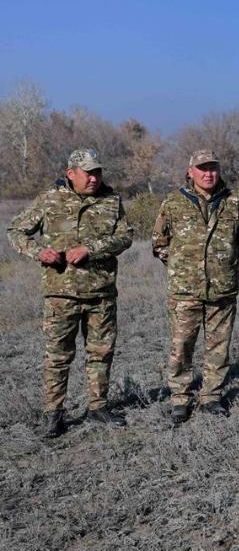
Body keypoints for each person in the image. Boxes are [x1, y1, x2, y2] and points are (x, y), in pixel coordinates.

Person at [7, 149, 133, 438]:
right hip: (60, 294)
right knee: (58, 356)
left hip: (101, 293)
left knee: (101, 353)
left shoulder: (111, 201)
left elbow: (125, 236)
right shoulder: (50, 199)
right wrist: (40, 252)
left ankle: (98, 407)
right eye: (87, 173)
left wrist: (91, 249)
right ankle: (53, 414)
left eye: (97, 172)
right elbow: (16, 230)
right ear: (71, 173)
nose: (93, 178)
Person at [152, 150, 239, 423]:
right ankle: (180, 398)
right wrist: (181, 268)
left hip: (222, 289)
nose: (208, 174)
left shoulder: (233, 202)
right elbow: (159, 243)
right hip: (185, 292)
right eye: (202, 168)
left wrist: (222, 264)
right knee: (182, 345)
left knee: (219, 346)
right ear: (190, 171)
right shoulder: (173, 203)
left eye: (213, 168)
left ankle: (211, 396)